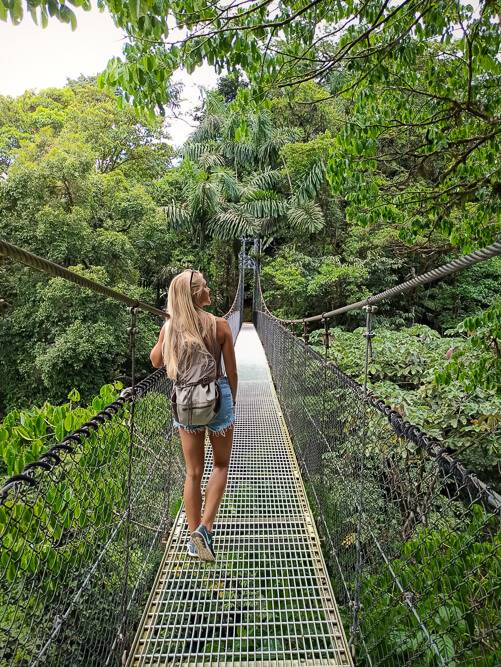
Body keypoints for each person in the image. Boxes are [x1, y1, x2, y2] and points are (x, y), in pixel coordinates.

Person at [149, 269, 237, 562]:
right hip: (217, 399)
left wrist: (168, 329)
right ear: (196, 294)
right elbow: (232, 372)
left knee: (193, 472)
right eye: (205, 286)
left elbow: (155, 360)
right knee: (221, 465)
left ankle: (191, 538)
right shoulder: (221, 325)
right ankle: (205, 529)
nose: (209, 289)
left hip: (186, 403)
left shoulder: (171, 327)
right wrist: (231, 402)